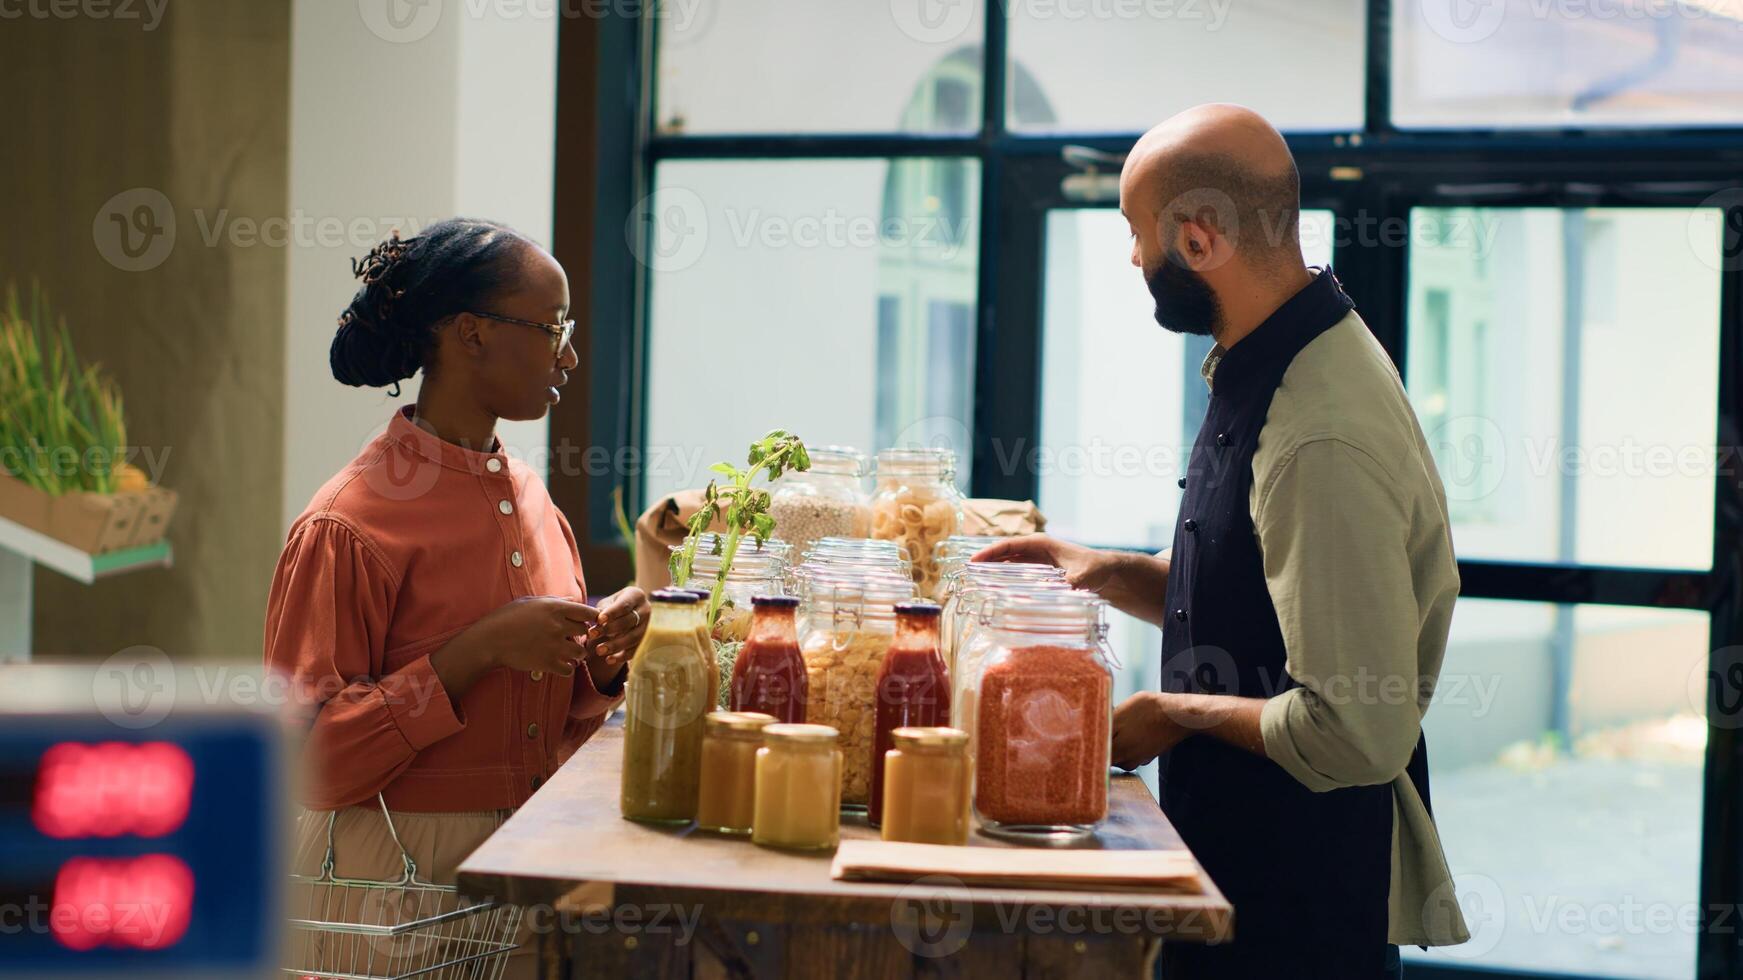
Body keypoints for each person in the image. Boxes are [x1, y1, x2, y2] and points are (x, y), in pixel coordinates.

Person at [976, 105, 1469, 977]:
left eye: (1137, 235)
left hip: (1296, 911)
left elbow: (1356, 729)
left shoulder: (1318, 430)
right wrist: (1103, 572)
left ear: (1198, 242)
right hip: (1234, 872)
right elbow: (1262, 597)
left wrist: (1169, 714)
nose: (1134, 258)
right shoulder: (1285, 350)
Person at [264, 218, 649, 979]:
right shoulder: (348, 521)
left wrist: (601, 668)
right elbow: (305, 764)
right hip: (387, 886)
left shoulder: (538, 505)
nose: (568, 355)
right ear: (471, 333)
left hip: (519, 866)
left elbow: (544, 721)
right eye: (552, 328)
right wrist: (472, 653)